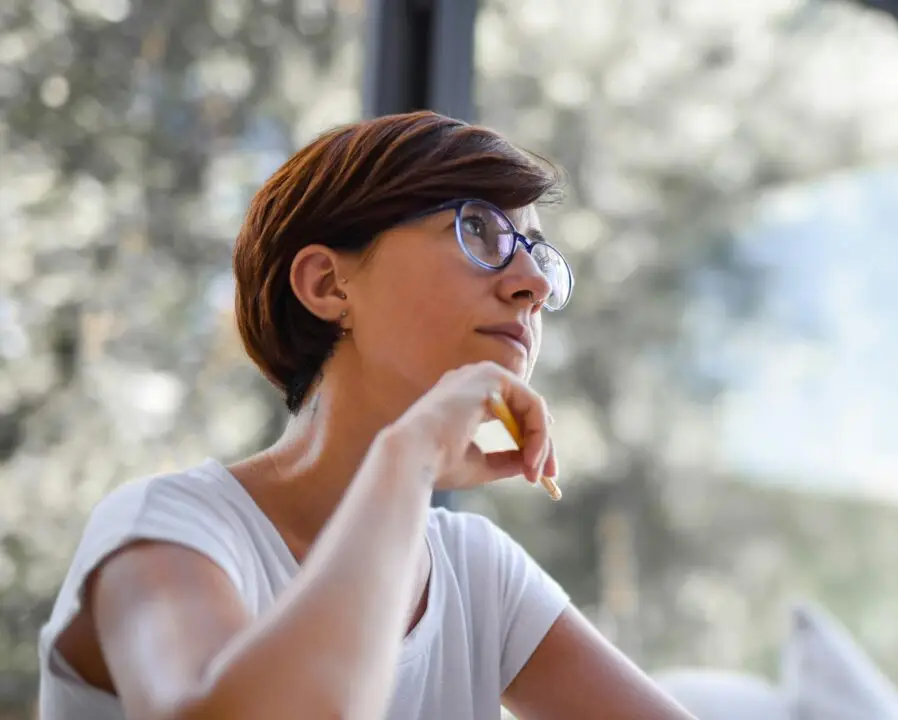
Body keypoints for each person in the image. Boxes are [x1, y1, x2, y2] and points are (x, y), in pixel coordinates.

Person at [35, 111, 696, 720]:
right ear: (327, 284)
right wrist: (407, 459)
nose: (536, 284)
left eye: (536, 252)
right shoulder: (166, 529)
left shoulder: (477, 572)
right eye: (478, 229)